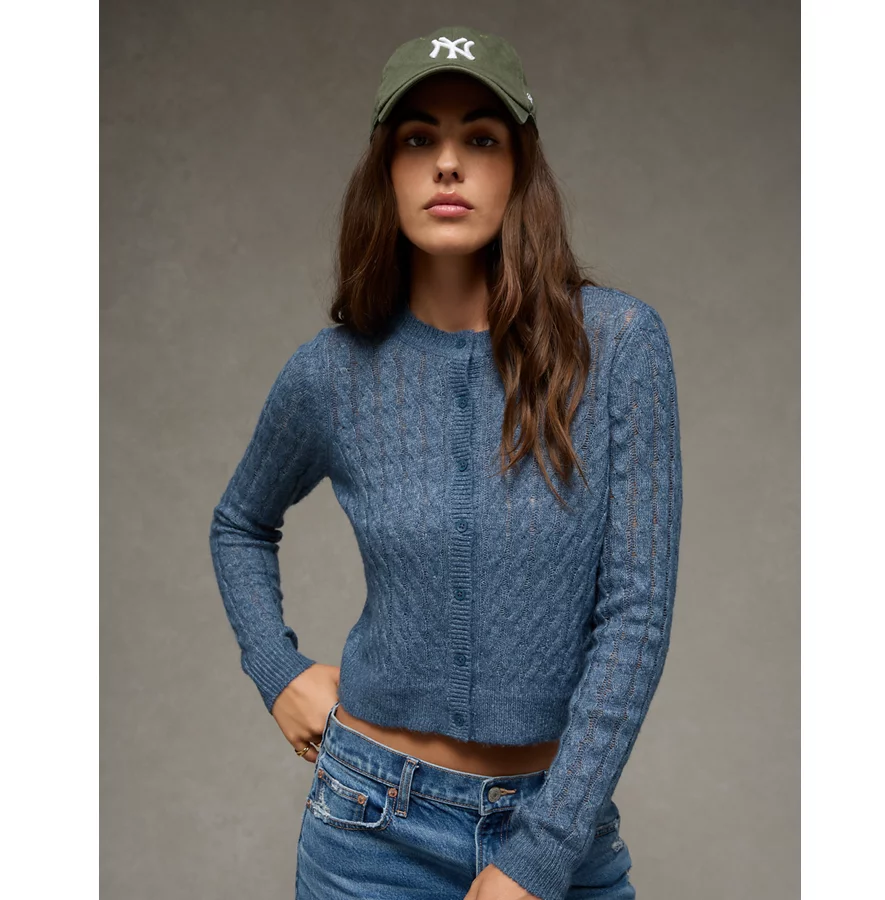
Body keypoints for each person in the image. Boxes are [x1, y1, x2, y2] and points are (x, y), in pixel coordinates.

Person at [209, 24, 684, 900]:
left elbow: (636, 617)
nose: (449, 164)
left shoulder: (619, 346)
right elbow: (240, 522)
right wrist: (278, 672)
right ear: (386, 171)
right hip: (368, 834)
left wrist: (540, 856)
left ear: (520, 168)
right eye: (419, 138)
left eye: (482, 138)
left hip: (559, 831)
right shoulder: (332, 374)